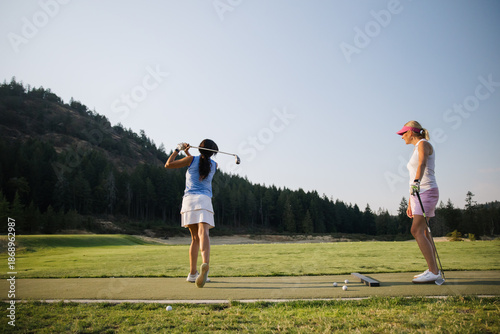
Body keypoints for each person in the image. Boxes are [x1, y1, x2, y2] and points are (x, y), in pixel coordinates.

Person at [165, 139, 218, 288]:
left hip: (189, 201)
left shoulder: (190, 159)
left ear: (199, 149)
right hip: (204, 200)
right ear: (213, 153)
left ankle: (192, 273)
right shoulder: (214, 165)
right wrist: (188, 152)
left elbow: (168, 164)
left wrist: (178, 149)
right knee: (204, 234)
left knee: (194, 238)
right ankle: (205, 265)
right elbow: (201, 164)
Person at [397, 121, 442, 284]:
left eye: (403, 133)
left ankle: (434, 271)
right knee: (423, 231)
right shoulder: (416, 148)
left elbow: (422, 164)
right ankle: (432, 269)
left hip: (427, 191)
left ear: (411, 132)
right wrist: (410, 201)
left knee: (416, 230)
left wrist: (417, 181)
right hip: (418, 193)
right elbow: (412, 178)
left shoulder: (424, 144)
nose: (402, 137)